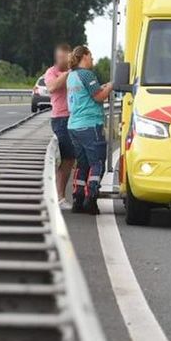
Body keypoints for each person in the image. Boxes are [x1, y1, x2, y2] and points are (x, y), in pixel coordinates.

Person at [66, 45, 113, 214]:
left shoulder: (71, 76)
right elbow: (99, 96)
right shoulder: (87, 74)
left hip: (74, 125)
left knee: (82, 163)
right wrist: (110, 86)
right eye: (91, 55)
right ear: (84, 56)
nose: (92, 59)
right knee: (97, 163)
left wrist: (101, 87)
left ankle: (77, 198)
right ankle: (91, 198)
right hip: (90, 125)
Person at [44, 43, 75, 207]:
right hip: (61, 118)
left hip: (75, 118)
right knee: (66, 157)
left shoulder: (76, 72)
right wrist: (68, 73)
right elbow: (52, 87)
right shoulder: (51, 72)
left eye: (65, 57)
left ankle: (60, 195)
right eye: (59, 57)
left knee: (70, 159)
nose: (61, 60)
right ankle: (59, 196)